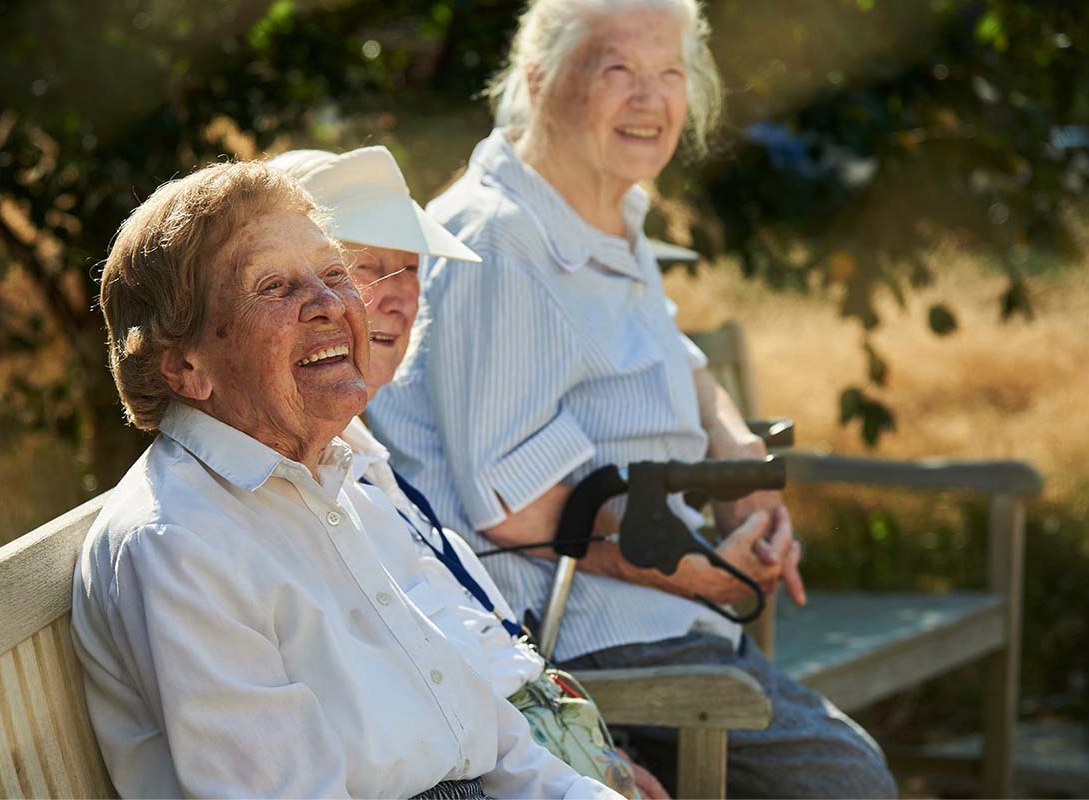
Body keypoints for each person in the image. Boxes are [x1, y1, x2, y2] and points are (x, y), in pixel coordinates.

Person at [366, 0, 898, 797]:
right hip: (577, 641)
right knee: (846, 782)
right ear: (540, 80)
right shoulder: (497, 240)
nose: (650, 99)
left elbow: (677, 358)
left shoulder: (604, 212)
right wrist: (707, 575)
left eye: (671, 74)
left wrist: (737, 453)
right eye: (618, 70)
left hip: (666, 619)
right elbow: (520, 509)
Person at [70, 160, 620, 799]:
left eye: (333, 275)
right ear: (187, 368)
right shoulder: (179, 542)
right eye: (274, 286)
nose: (332, 304)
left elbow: (491, 744)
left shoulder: (335, 489)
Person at [271, 144, 666, 800]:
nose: (399, 295)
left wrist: (592, 758)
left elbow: (469, 658)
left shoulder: (363, 458)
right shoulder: (305, 482)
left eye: (412, 269)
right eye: (367, 267)